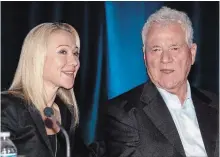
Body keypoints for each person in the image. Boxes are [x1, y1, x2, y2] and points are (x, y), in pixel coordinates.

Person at [104, 7, 219, 157]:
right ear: (145, 58)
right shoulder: (123, 113)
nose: (165, 59)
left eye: (174, 48)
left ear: (192, 53)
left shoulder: (215, 103)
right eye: (156, 49)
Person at [1, 22, 96, 157]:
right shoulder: (6, 108)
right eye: (63, 52)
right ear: (37, 57)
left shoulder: (65, 114)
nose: (75, 61)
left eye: (75, 53)